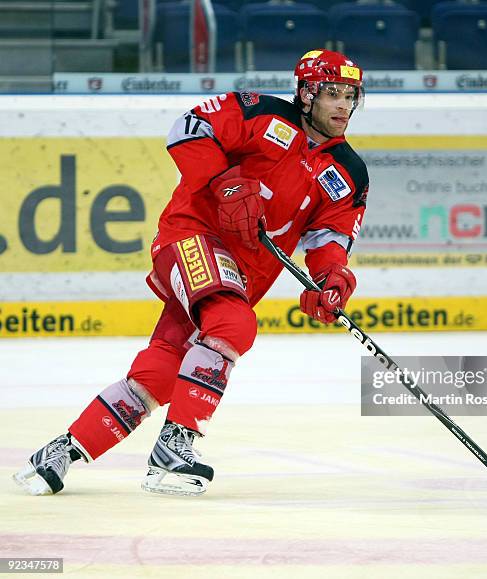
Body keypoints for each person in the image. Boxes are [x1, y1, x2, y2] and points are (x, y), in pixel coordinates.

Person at [13, 49, 369, 497]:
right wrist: (225, 181)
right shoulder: (258, 113)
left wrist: (332, 281)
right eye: (332, 93)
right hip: (190, 236)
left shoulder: (350, 171)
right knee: (233, 323)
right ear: (305, 93)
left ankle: (60, 453)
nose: (342, 105)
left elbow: (328, 240)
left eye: (350, 96)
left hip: (239, 278)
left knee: (160, 373)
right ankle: (174, 447)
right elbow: (189, 128)